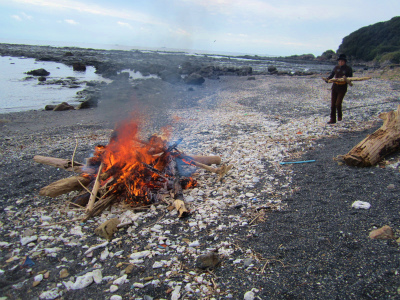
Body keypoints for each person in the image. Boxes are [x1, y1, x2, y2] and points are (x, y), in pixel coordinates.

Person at [323, 54, 353, 124]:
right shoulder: (336, 67)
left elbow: (351, 79)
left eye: (342, 61)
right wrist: (327, 79)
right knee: (333, 104)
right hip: (335, 86)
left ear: (345, 61)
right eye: (339, 61)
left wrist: (346, 80)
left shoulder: (348, 69)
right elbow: (331, 75)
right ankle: (332, 119)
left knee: (338, 103)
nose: (340, 62)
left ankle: (339, 115)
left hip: (342, 87)